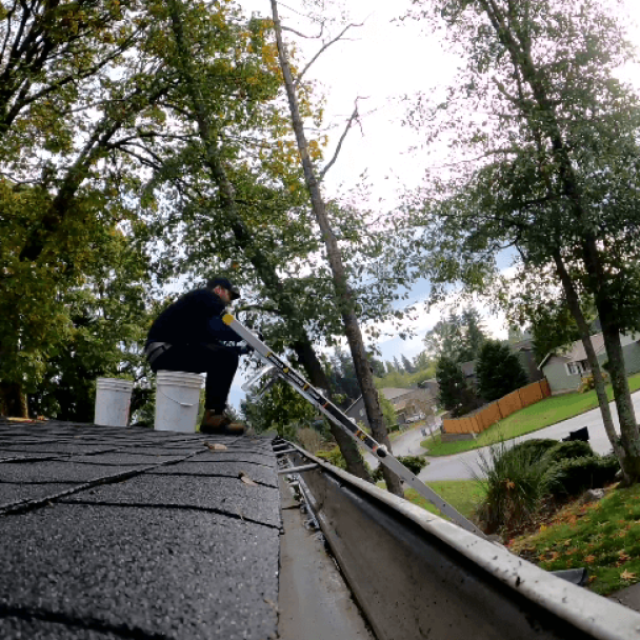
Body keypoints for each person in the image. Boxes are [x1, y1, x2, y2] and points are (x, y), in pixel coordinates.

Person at [144, 276, 248, 434]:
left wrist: (240, 349)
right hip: (165, 350)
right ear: (219, 290)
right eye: (229, 296)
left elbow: (212, 342)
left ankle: (213, 416)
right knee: (227, 357)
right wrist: (247, 336)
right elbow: (218, 329)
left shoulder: (198, 308)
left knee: (226, 356)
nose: (229, 302)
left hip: (164, 352)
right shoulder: (208, 297)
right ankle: (213, 417)